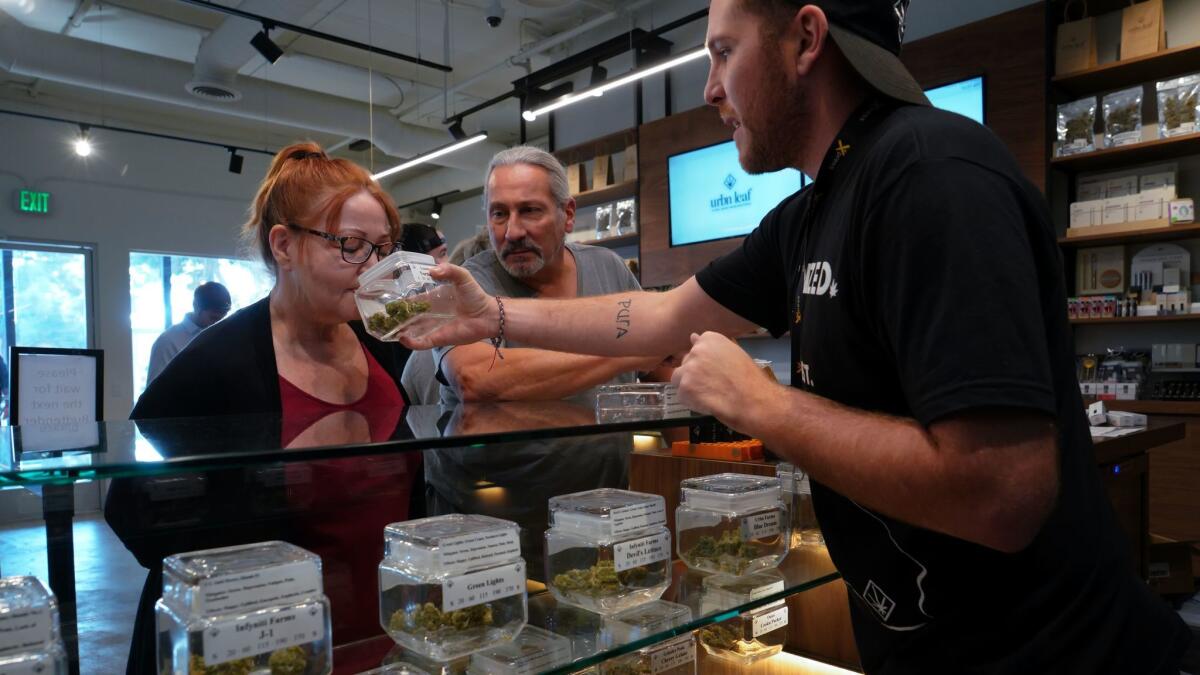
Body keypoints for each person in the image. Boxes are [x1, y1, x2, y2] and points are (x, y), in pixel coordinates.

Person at [405, 2, 1190, 673]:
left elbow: (1004, 492)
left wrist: (766, 406)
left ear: (806, 40)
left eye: (722, 52)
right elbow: (657, 315)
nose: (711, 87)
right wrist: (493, 317)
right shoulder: (813, 208)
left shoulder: (933, 177)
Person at [109, 142, 420, 674]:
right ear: (284, 245)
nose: (374, 269)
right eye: (350, 245)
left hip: (377, 636)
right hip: (267, 651)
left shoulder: (385, 344)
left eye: (383, 249)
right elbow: (133, 511)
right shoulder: (215, 364)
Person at [422, 146, 673, 576]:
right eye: (499, 214)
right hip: (488, 522)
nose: (513, 231)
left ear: (568, 215)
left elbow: (660, 364)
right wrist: (626, 349)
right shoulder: (467, 282)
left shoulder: (608, 268)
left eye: (530, 211)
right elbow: (478, 378)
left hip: (601, 510)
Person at [400, 229, 491, 405]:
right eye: (441, 254)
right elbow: (473, 381)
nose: (445, 264)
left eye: (446, 253)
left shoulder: (419, 351)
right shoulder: (433, 337)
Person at [144, 281, 231, 384]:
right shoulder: (167, 342)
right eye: (213, 318)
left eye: (222, 319)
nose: (218, 324)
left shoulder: (222, 337)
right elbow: (153, 393)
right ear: (196, 306)